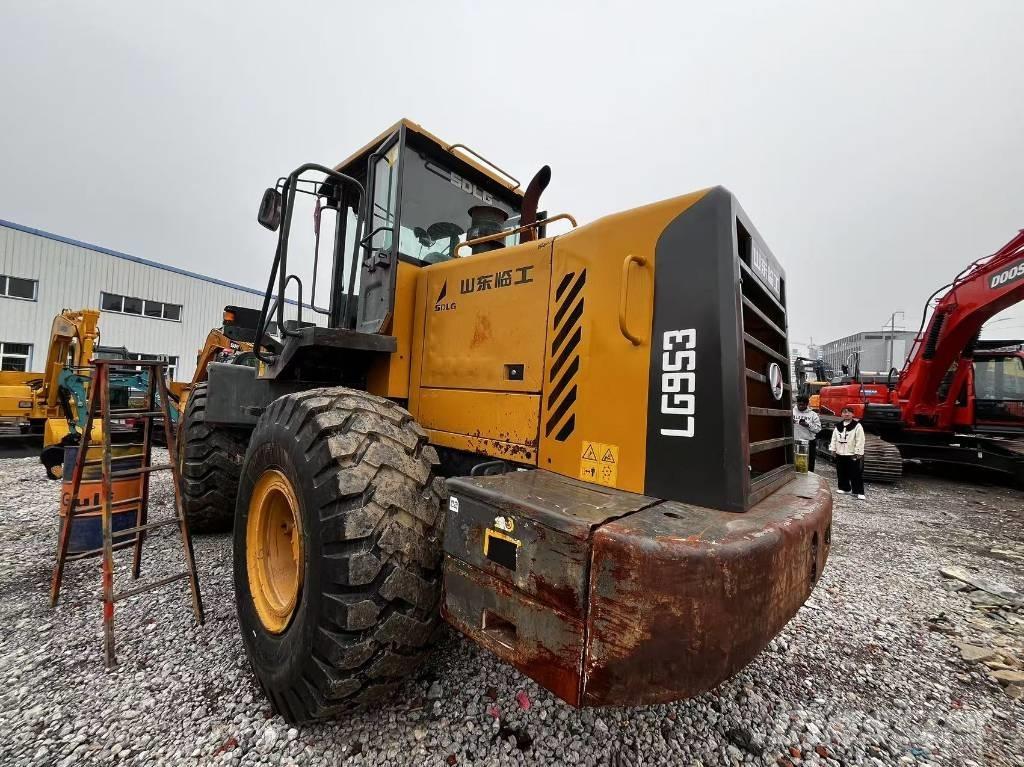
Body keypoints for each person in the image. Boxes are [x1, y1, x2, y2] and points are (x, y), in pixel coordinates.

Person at [829, 406, 866, 499]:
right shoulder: (838, 426)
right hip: (840, 452)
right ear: (841, 414)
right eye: (844, 412)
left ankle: (858, 491)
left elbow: (860, 440)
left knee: (855, 472)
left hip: (851, 453)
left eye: (849, 412)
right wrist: (833, 449)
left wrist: (858, 452)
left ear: (853, 414)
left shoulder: (857, 426)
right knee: (841, 471)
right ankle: (844, 487)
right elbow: (834, 439)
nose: (847, 414)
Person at [792, 395, 821, 472]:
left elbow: (818, 429)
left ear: (807, 404)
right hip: (794, 442)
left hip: (808, 443)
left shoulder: (813, 414)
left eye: (803, 405)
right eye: (799, 404)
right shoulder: (791, 412)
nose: (801, 406)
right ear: (797, 403)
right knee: (794, 465)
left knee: (808, 466)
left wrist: (808, 425)